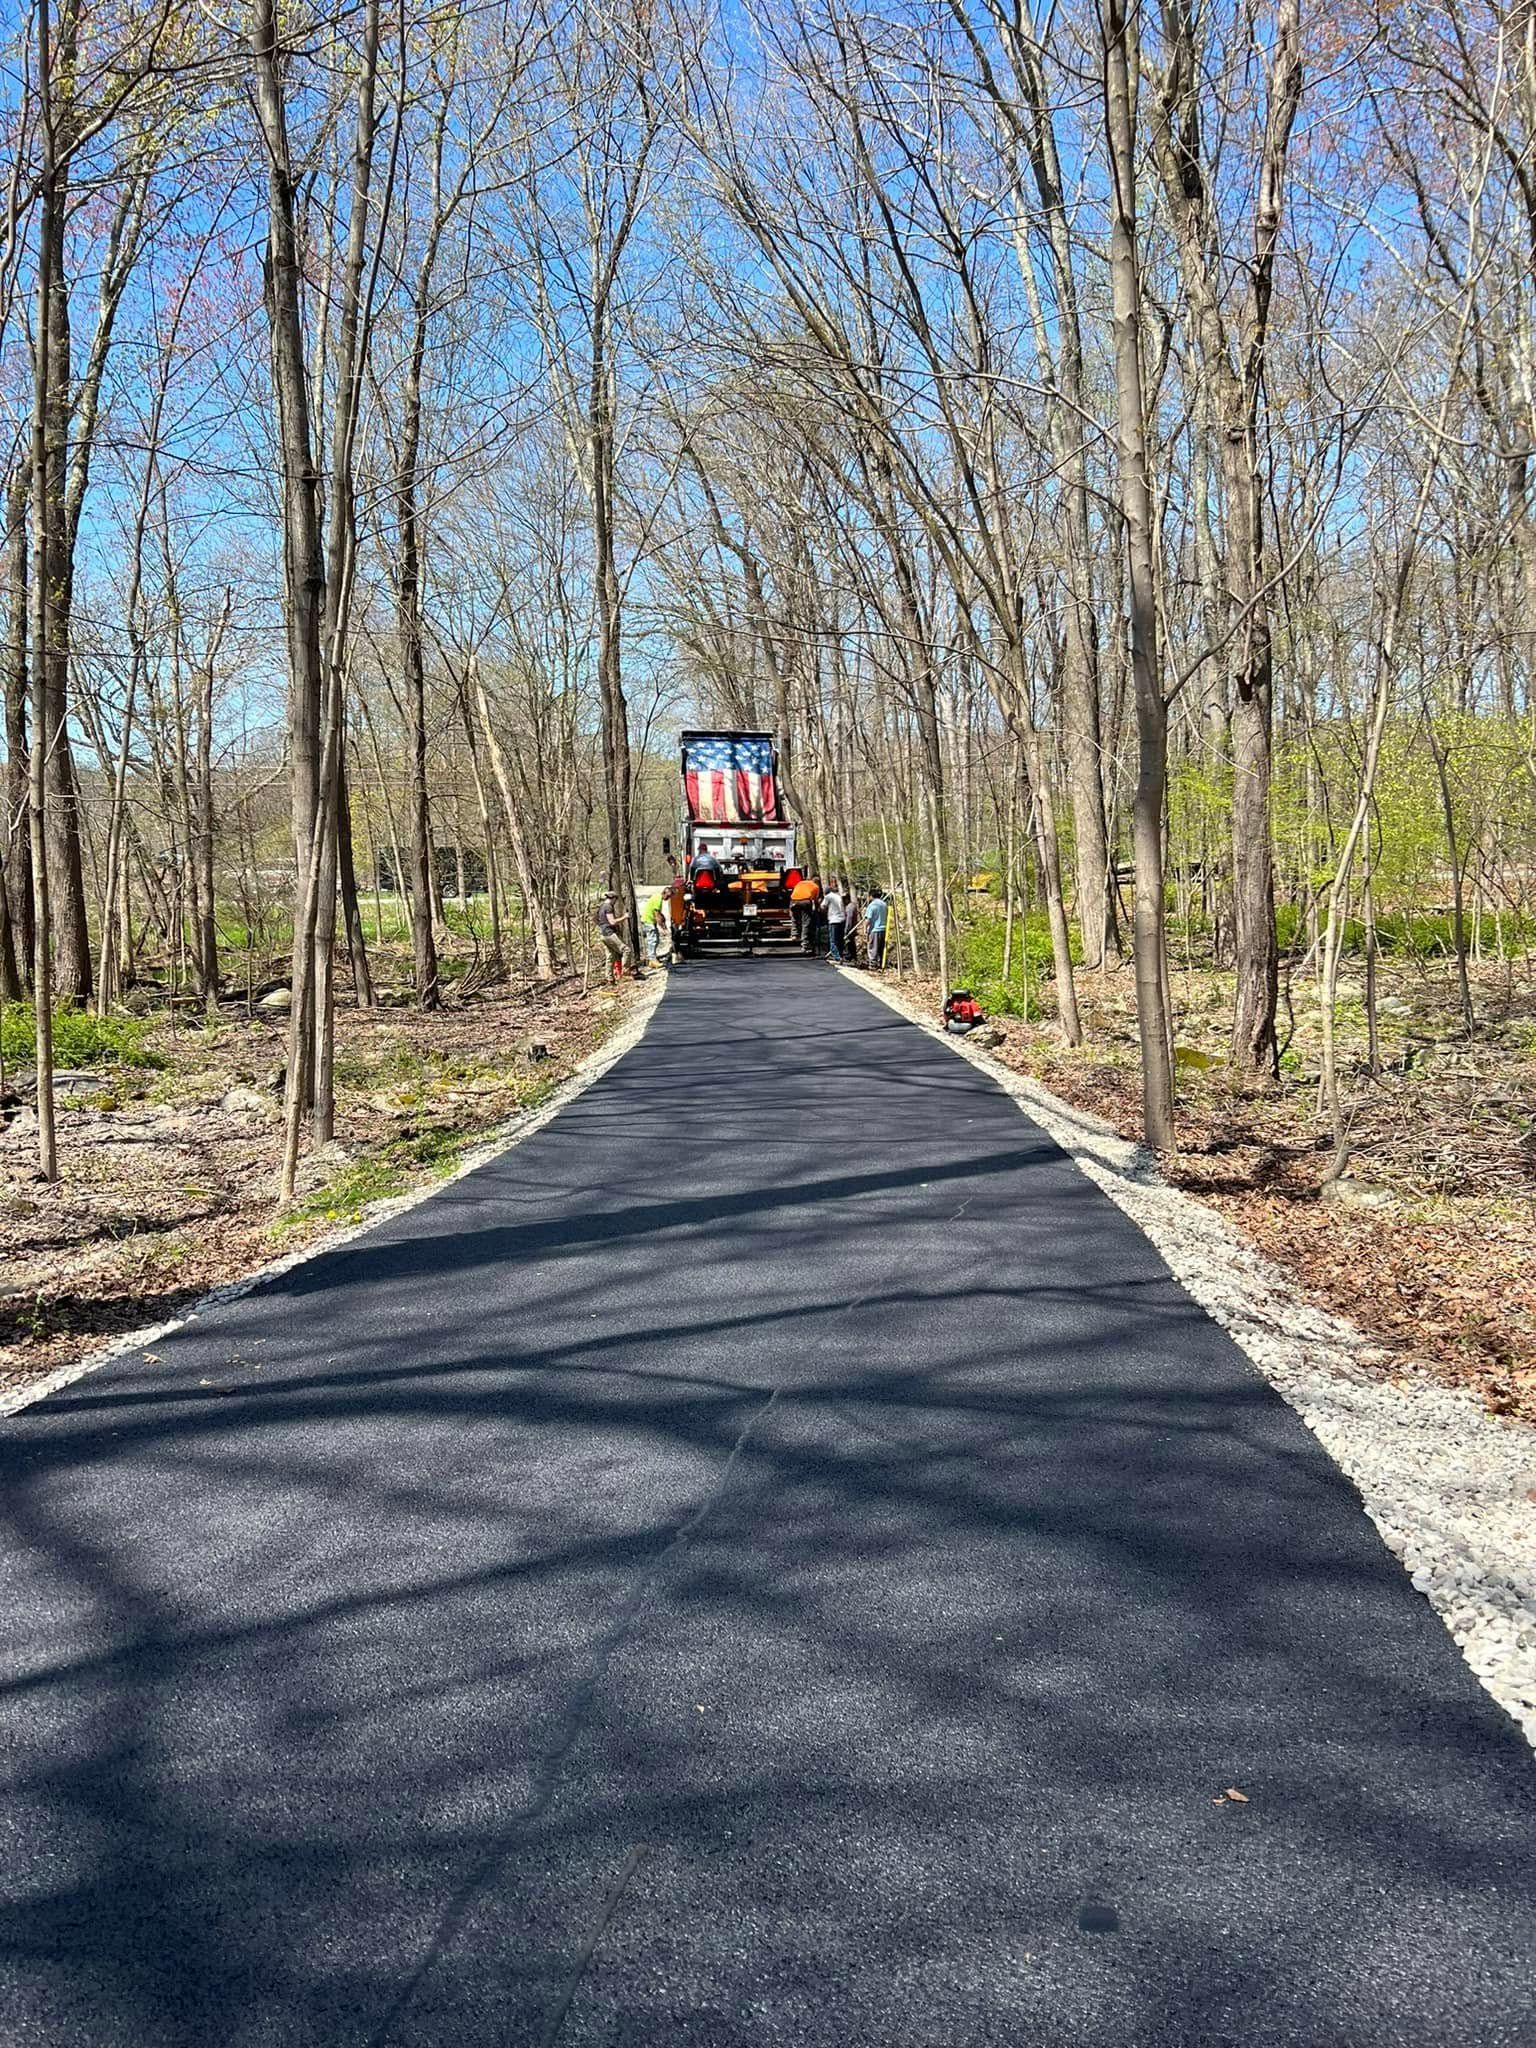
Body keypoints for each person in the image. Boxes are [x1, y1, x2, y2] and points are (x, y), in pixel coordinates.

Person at [595, 891, 628, 981]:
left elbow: (596, 920)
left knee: (610, 956)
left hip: (603, 934)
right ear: (613, 898)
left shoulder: (601, 907)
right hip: (609, 933)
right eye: (615, 900)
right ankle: (625, 972)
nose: (615, 902)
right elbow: (612, 921)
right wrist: (624, 917)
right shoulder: (608, 907)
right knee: (626, 950)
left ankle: (609, 978)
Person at [791, 872, 823, 953]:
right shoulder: (816, 887)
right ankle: (804, 944)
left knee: (795, 917)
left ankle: (794, 934)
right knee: (806, 922)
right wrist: (817, 910)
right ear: (817, 882)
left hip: (793, 900)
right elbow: (815, 901)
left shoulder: (801, 882)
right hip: (805, 902)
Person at [863, 886, 889, 970]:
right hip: (884, 929)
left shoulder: (872, 905)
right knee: (881, 948)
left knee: (873, 947)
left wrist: (865, 930)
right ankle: (882, 963)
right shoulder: (884, 904)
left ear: (871, 896)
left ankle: (873, 964)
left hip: (875, 930)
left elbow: (868, 919)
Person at [640, 885, 666, 963]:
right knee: (652, 940)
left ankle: (653, 957)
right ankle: (652, 959)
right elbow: (657, 915)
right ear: (664, 893)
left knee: (656, 939)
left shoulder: (657, 897)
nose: (668, 898)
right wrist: (663, 928)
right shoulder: (658, 899)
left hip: (650, 920)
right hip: (648, 920)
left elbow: (659, 914)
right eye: (668, 896)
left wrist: (663, 922)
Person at [823, 876, 846, 962]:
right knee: (840, 939)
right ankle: (840, 954)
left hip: (834, 920)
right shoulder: (838, 896)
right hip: (842, 919)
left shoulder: (828, 896)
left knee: (833, 940)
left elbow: (823, 906)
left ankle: (837, 957)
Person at [844, 879, 862, 967]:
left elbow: (849, 919)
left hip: (850, 928)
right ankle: (852, 956)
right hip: (852, 928)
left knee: (849, 943)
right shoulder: (852, 906)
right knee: (851, 943)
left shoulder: (850, 907)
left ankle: (850, 956)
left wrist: (847, 930)